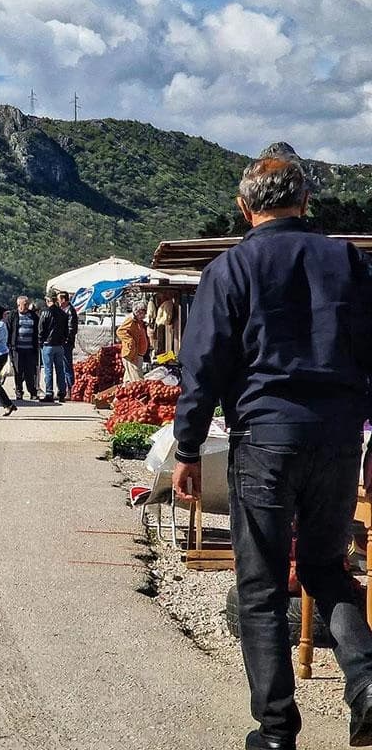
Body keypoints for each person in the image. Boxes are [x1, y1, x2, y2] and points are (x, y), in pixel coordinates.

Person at [173, 154, 372, 750]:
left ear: (244, 206)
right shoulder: (351, 264)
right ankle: (367, 685)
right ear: (305, 202)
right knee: (326, 568)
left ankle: (277, 730)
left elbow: (203, 365)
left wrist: (186, 447)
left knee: (260, 585)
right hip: (337, 440)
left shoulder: (232, 267)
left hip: (264, 440)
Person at [6, 295, 40, 401]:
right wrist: (8, 346)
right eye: (24, 304)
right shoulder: (13, 315)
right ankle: (19, 392)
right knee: (18, 372)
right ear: (18, 305)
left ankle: (32, 392)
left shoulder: (33, 316)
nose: (26, 306)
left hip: (30, 349)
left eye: (27, 304)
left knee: (30, 372)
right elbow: (8, 330)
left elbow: (38, 330)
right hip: (17, 349)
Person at [37, 294, 70, 402]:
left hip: (48, 344)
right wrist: (63, 339)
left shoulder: (45, 312)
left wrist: (41, 341)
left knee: (48, 370)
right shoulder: (63, 313)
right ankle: (61, 392)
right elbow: (66, 330)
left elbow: (41, 329)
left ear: (47, 300)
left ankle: (49, 393)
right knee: (60, 369)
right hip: (59, 345)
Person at [117, 305, 149, 383]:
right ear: (138, 312)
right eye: (143, 314)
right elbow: (120, 331)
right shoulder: (130, 320)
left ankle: (124, 392)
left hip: (138, 354)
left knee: (128, 380)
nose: (144, 316)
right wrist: (130, 341)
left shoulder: (139, 322)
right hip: (132, 354)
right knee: (137, 380)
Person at [57, 291, 79, 391]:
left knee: (67, 365)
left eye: (58, 299)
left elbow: (71, 328)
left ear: (63, 300)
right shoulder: (63, 310)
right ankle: (65, 388)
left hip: (66, 343)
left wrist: (66, 339)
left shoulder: (70, 311)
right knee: (63, 366)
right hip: (63, 341)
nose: (57, 302)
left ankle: (70, 388)